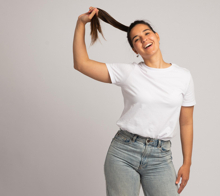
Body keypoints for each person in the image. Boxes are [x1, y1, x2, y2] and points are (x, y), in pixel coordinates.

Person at [73, 6, 196, 196]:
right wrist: (81, 23)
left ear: (157, 36)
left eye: (147, 33)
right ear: (134, 49)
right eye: (137, 39)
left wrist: (187, 163)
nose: (144, 39)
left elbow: (186, 122)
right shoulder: (128, 72)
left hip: (160, 157)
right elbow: (81, 64)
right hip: (124, 152)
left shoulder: (183, 76)